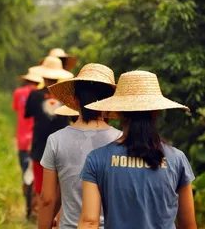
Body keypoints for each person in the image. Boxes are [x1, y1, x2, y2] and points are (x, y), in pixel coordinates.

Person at [79, 70, 197, 229]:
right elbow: (188, 225)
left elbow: (90, 222)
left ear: (119, 112)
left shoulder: (97, 159)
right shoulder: (177, 159)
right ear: (156, 112)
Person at [38, 64, 121, 229]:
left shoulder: (56, 140)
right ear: (110, 101)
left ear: (75, 101)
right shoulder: (122, 140)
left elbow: (47, 199)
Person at [25, 56, 74, 212]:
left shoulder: (34, 95)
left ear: (43, 75)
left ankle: (43, 218)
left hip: (40, 146)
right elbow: (74, 118)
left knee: (41, 188)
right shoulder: (66, 97)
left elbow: (28, 114)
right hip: (63, 146)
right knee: (60, 187)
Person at [12, 71, 43, 218]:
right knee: (38, 177)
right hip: (37, 141)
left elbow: (18, 110)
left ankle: (28, 208)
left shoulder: (18, 93)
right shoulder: (41, 95)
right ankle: (36, 209)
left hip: (22, 141)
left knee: (26, 174)